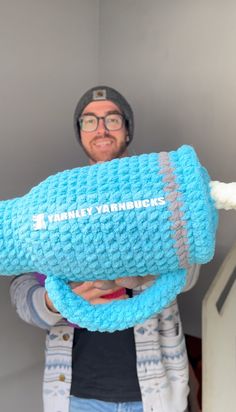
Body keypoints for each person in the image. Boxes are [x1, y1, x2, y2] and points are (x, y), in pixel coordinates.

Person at [10, 85, 200, 412]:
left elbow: (192, 268)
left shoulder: (159, 191)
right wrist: (52, 303)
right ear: (80, 133)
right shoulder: (55, 201)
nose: (101, 128)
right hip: (74, 392)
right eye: (89, 121)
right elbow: (20, 286)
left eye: (112, 119)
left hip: (155, 391)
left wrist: (141, 274)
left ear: (127, 130)